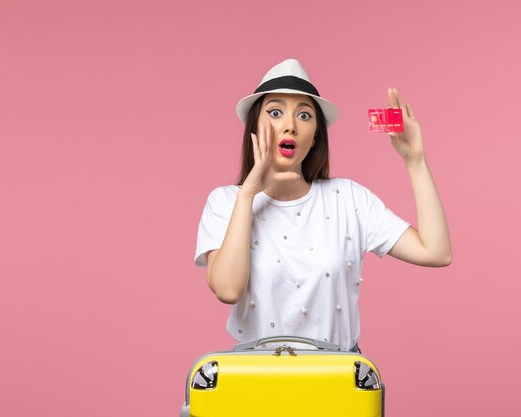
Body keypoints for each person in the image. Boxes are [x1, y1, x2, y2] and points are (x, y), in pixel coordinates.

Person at [194, 59, 452, 352]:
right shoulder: (226, 201)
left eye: (304, 115)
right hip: (257, 379)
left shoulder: (349, 199)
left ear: (315, 134)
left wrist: (415, 160)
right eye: (275, 113)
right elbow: (228, 289)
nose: (290, 126)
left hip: (339, 380)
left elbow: (436, 252)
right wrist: (248, 194)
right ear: (254, 125)